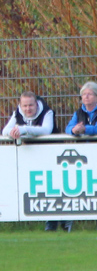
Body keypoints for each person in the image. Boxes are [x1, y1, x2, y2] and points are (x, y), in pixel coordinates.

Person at [2, 91, 70, 231]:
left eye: (30, 105)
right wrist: (12, 132)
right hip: (33, 159)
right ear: (20, 105)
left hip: (53, 156)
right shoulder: (17, 113)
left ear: (36, 104)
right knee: (41, 191)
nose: (28, 109)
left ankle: (65, 221)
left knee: (56, 189)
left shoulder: (47, 112)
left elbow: (46, 130)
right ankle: (50, 224)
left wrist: (23, 129)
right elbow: (5, 131)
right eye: (25, 106)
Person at [65, 81, 97, 230]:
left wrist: (85, 129)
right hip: (85, 157)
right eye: (84, 94)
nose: (86, 97)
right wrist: (74, 130)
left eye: (89, 94)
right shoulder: (78, 113)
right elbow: (68, 128)